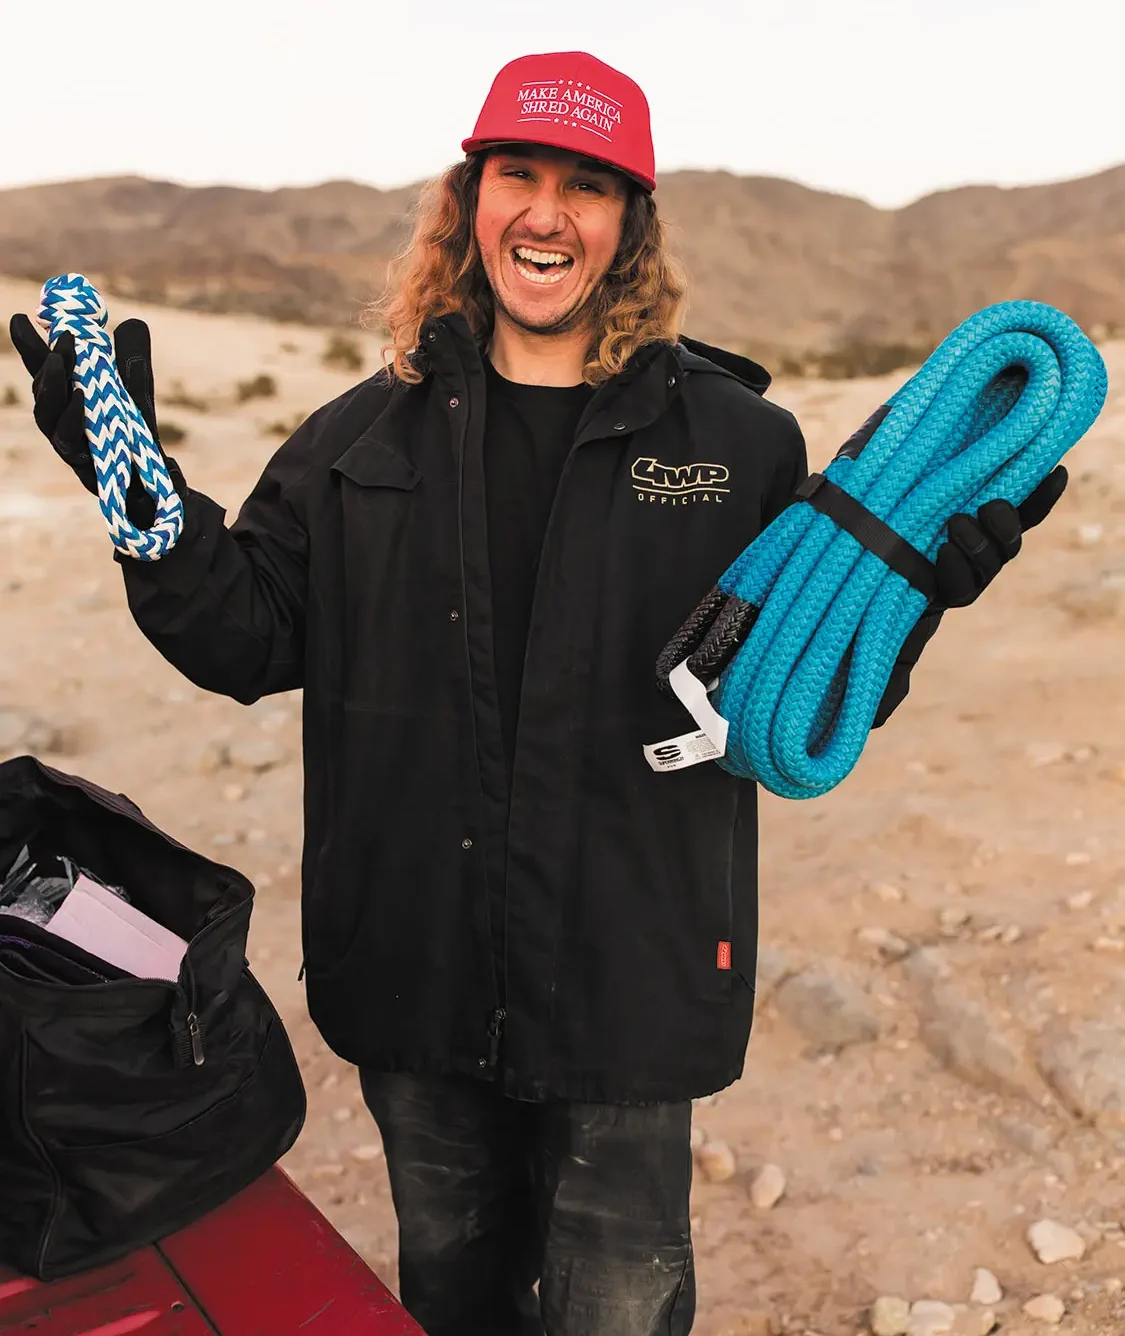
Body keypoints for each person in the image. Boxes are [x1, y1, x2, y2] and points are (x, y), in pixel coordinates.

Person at [10, 50, 1065, 1336]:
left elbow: (789, 682)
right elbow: (242, 637)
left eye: (587, 185)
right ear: (471, 201)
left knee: (619, 1305)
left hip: (632, 979)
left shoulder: (735, 446)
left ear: (631, 225)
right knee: (452, 1297)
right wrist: (138, 499)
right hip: (414, 966)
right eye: (519, 174)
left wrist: (910, 593)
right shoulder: (356, 443)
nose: (547, 213)